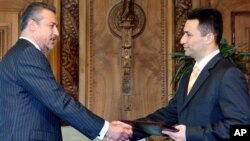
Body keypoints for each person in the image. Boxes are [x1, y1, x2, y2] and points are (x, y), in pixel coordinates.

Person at [0, 2, 132, 141]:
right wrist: (106, 129)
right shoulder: (27, 54)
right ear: (32, 25)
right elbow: (59, 101)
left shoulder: (18, 54)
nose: (57, 33)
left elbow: (47, 107)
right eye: (51, 26)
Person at [129, 8, 250, 141]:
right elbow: (169, 114)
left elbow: (242, 129)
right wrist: (128, 129)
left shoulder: (228, 74)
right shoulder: (188, 76)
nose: (182, 40)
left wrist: (191, 134)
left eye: (188, 34)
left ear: (208, 38)